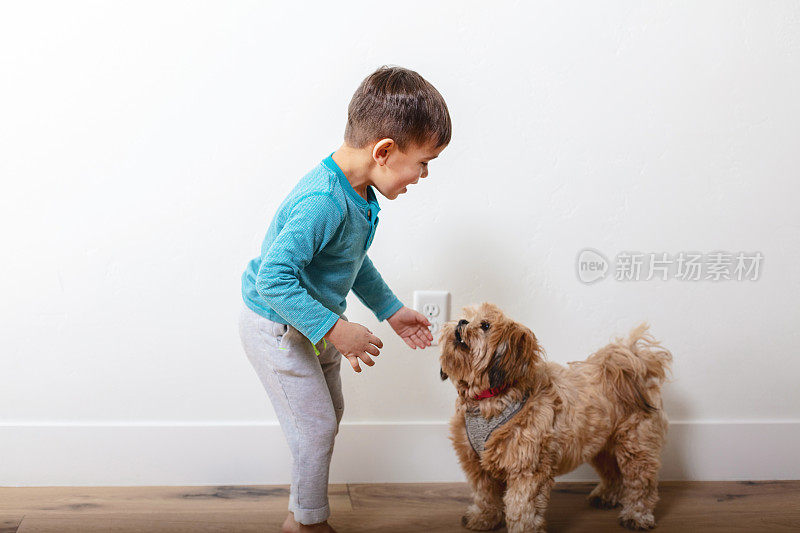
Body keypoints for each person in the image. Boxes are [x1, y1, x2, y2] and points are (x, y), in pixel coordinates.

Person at [237, 65, 451, 532]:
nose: (425, 174)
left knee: (326, 419)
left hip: (313, 322)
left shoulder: (359, 193)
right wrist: (337, 329)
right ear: (385, 151)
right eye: (424, 161)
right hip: (278, 326)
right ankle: (308, 524)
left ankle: (302, 508)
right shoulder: (324, 201)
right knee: (315, 428)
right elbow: (273, 278)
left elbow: (351, 262)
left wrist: (390, 311)